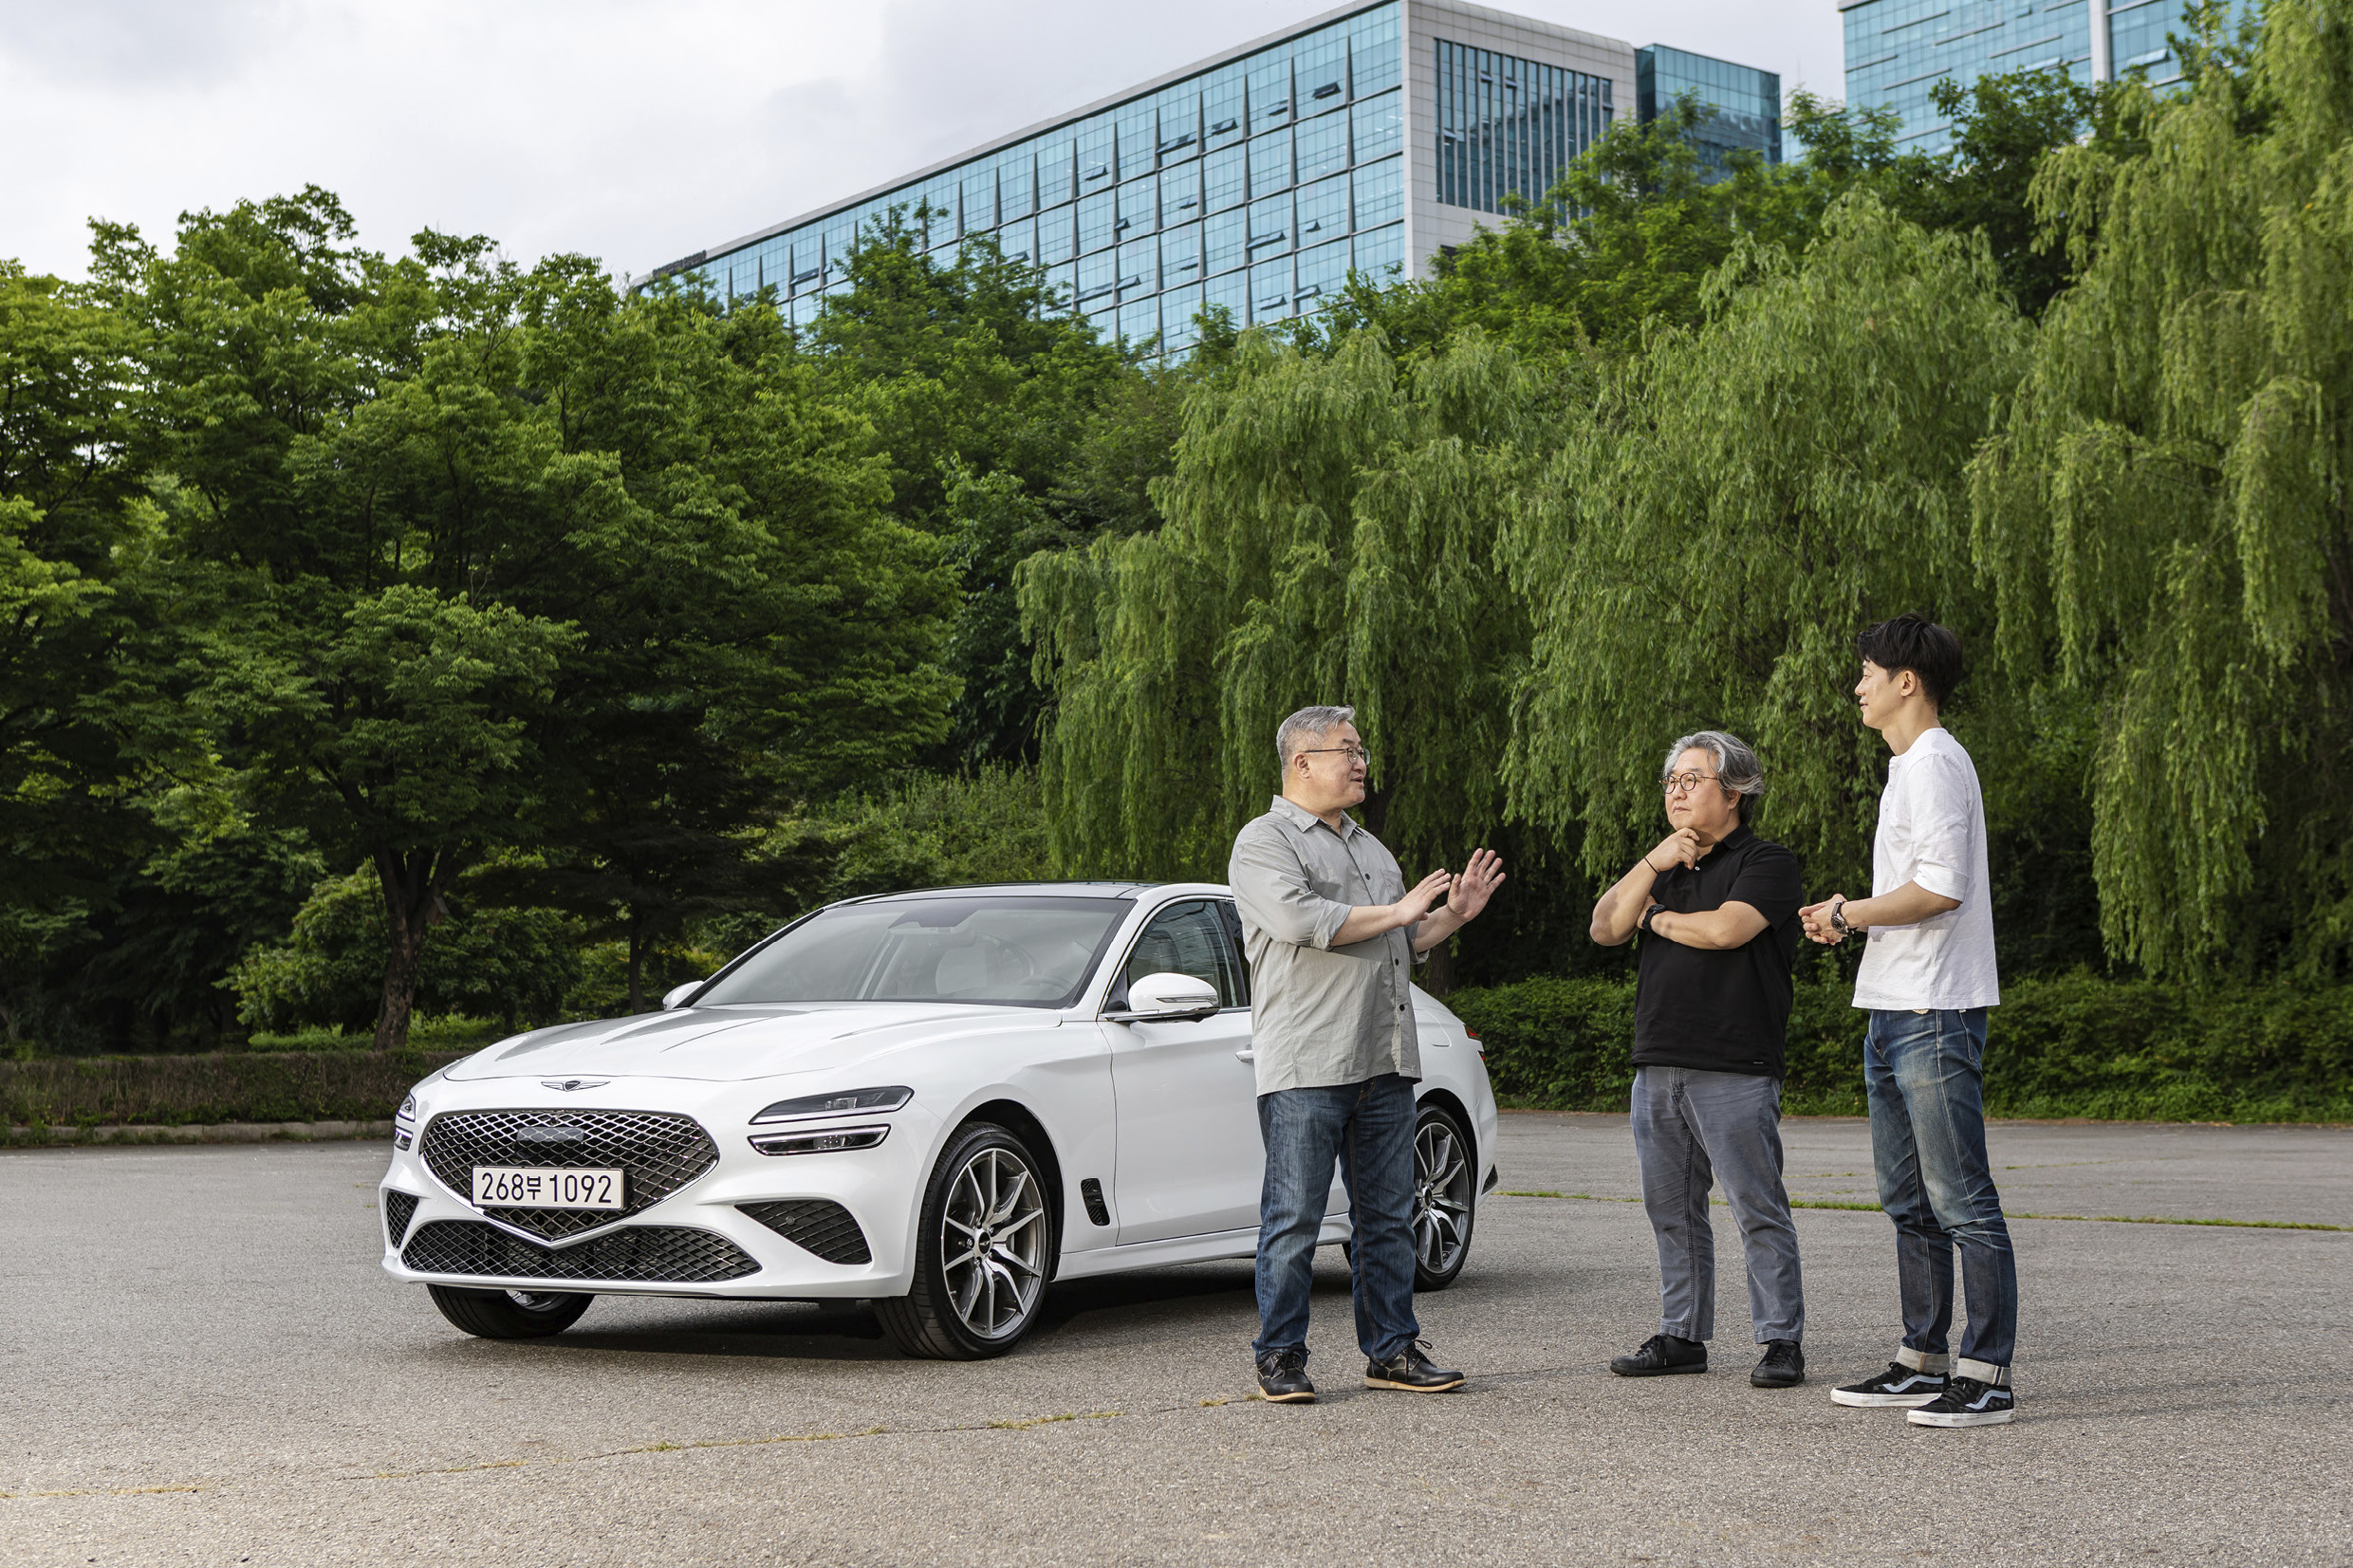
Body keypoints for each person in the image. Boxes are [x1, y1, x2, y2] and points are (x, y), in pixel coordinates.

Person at [1227, 704, 1505, 1404]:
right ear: (1302, 763)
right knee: (1294, 1219)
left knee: (1387, 1217)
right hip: (1309, 1063)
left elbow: (1402, 940)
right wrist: (1404, 911)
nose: (1361, 763)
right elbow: (1302, 920)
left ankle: (1392, 1350)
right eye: (1347, 750)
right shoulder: (1264, 842)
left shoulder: (1373, 850)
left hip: (1385, 1060)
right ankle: (1280, 1355)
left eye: (1361, 751)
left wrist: (1453, 914)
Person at [1800, 614, 2017, 1429]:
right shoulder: (1908, 769)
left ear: (1906, 680)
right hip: (1893, 1007)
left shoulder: (1934, 763)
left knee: (1960, 1197)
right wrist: (1851, 915)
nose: (1857, 685)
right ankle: (1921, 1359)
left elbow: (1942, 888)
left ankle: (1986, 1373)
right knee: (1909, 1199)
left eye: (1867, 671)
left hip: (1933, 1007)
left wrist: (1847, 912)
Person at [1589, 730, 1808, 1390]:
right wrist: (1651, 864)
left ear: (1734, 791)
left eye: (1692, 779)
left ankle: (1781, 1340)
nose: (1677, 792)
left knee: (1755, 1207)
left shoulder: (1767, 861)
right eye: (1671, 782)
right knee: (1672, 1209)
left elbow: (1725, 930)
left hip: (1734, 1063)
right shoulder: (1662, 866)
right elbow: (1604, 926)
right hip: (1658, 1060)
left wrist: (1653, 919)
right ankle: (1681, 1334)